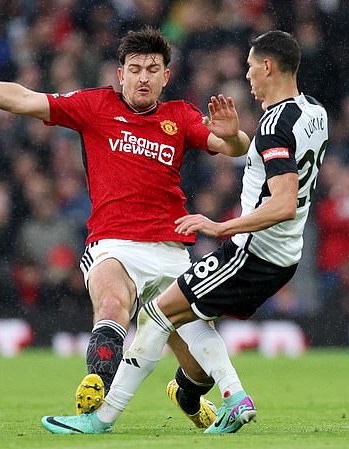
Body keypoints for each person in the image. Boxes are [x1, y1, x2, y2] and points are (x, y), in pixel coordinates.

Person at [0, 27, 250, 428]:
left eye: (152, 69)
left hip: (171, 249)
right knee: (111, 305)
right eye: (135, 68)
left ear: (166, 77)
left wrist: (236, 137)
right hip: (114, 244)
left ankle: (187, 394)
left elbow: (232, 146)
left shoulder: (180, 116)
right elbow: (23, 100)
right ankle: (97, 383)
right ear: (120, 75)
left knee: (200, 367)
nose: (143, 77)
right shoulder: (95, 106)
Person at [41, 29, 329, 435]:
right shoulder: (314, 111)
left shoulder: (269, 126)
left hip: (251, 252)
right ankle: (207, 396)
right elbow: (247, 151)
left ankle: (103, 418)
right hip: (283, 254)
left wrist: (221, 226)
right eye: (135, 69)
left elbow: (281, 200)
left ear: (267, 67)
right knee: (190, 326)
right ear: (121, 74)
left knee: (157, 313)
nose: (246, 76)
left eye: (250, 67)